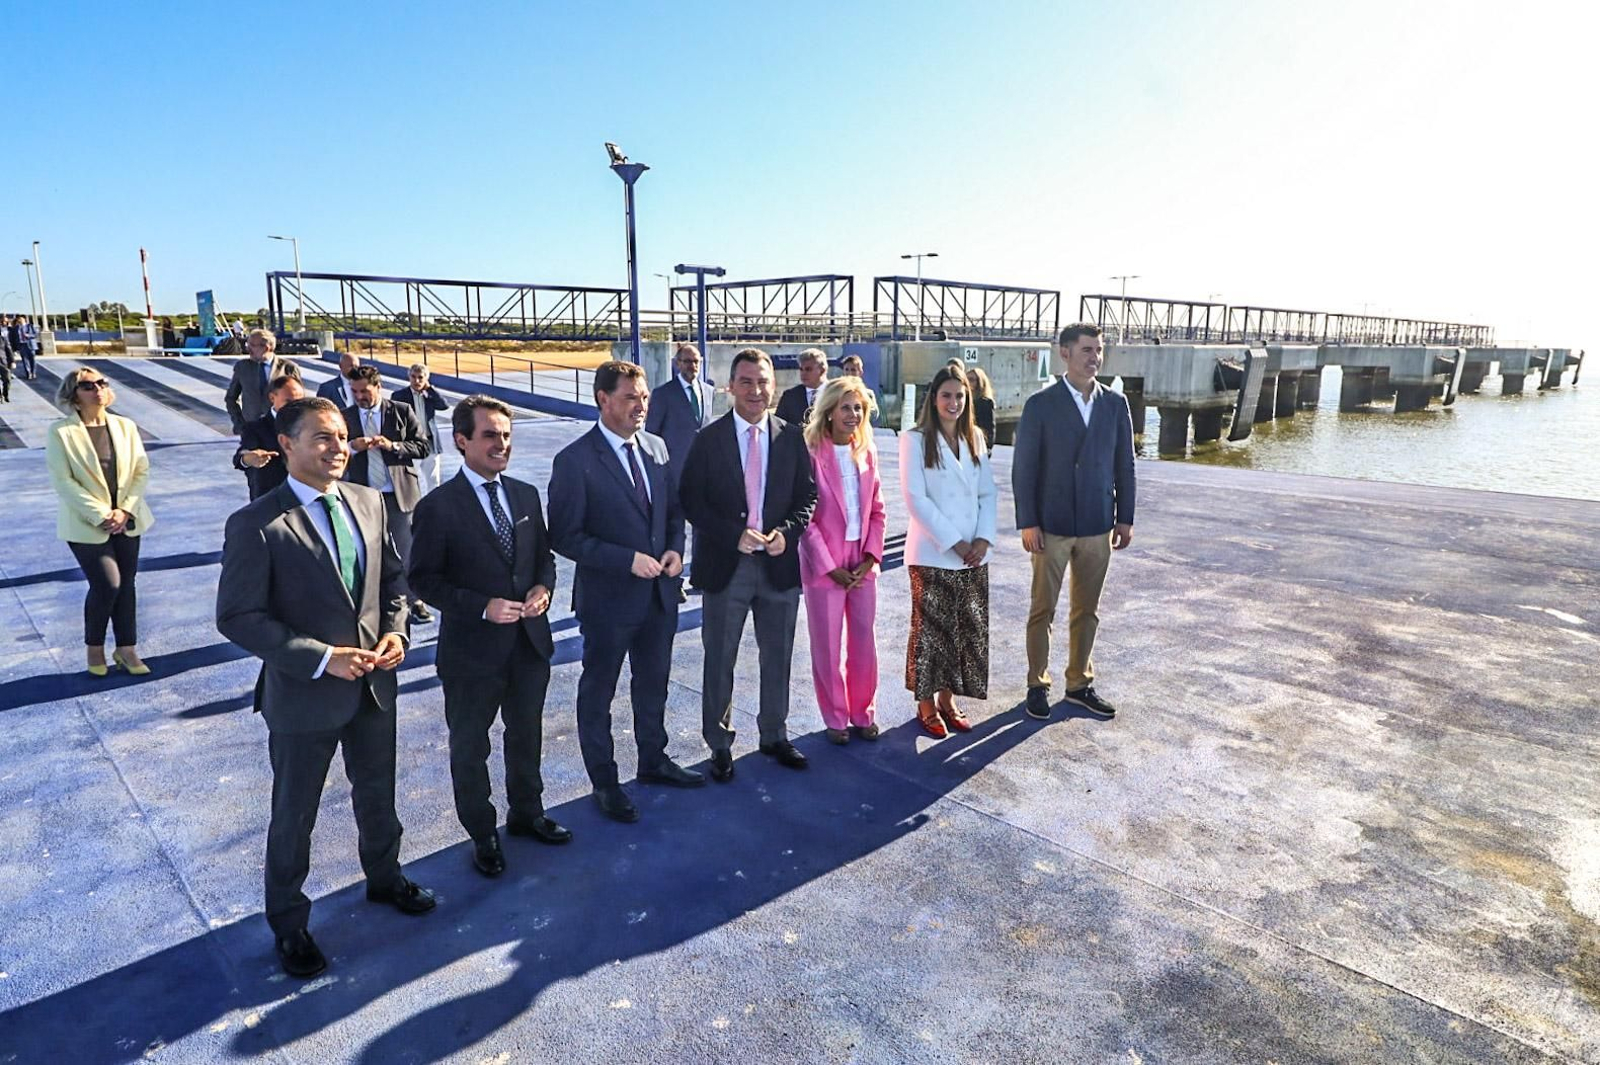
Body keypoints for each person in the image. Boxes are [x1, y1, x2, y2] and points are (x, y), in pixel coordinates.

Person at [216, 396, 436, 981]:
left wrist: (396, 634)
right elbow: (237, 616)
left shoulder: (369, 502)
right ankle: (289, 924)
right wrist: (322, 659)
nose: (337, 447)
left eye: (341, 437)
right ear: (286, 445)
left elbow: (393, 582)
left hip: (373, 687)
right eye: (322, 438)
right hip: (304, 696)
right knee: (295, 815)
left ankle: (385, 880)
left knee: (378, 796)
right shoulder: (255, 525)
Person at [409, 395, 570, 878]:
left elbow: (543, 557)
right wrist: (482, 607)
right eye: (489, 435)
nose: (501, 444)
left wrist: (544, 587)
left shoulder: (524, 494)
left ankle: (527, 813)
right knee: (471, 747)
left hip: (528, 644)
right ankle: (482, 832)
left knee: (526, 736)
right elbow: (423, 580)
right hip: (471, 654)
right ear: (461, 441)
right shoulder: (438, 507)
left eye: (505, 434)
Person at [547, 360, 701, 823]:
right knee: (599, 692)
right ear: (603, 399)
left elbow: (673, 511)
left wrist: (676, 549)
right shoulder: (574, 460)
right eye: (632, 397)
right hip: (608, 602)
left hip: (659, 596)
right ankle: (605, 782)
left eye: (645, 397)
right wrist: (625, 560)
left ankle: (652, 760)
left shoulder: (656, 448)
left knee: (653, 685)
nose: (641, 406)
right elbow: (565, 535)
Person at [680, 348, 817, 780]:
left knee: (777, 657)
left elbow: (807, 498)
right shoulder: (709, 439)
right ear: (730, 386)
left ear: (773, 385)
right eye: (746, 382)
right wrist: (729, 534)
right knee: (720, 657)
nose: (755, 391)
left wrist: (787, 534)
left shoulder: (792, 438)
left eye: (762, 382)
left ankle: (774, 733)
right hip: (727, 566)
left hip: (777, 567)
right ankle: (719, 742)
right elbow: (691, 500)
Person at [1013, 323, 1135, 721]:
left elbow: (1124, 465)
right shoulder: (1041, 405)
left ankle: (1079, 683)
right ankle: (1037, 683)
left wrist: (1125, 518)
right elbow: (1024, 468)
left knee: (1088, 609)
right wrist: (1028, 522)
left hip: (1098, 524)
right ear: (1064, 353)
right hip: (1051, 525)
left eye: (1098, 350)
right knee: (1042, 609)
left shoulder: (1115, 405)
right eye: (1086, 350)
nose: (1094, 357)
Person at [900, 366, 997, 737]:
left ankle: (948, 698)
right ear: (933, 398)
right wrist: (954, 542)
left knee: (963, 632)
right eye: (946, 395)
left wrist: (983, 539)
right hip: (933, 551)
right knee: (932, 633)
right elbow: (915, 499)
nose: (953, 402)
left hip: (973, 554)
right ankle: (926, 704)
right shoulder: (915, 439)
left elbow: (987, 492)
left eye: (960, 396)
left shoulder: (975, 437)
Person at [45, 368, 156, 677]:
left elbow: (140, 470)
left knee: (127, 585)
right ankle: (95, 647)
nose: (97, 389)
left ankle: (126, 648)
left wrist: (125, 510)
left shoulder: (125, 426)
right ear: (73, 394)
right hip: (85, 522)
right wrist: (102, 514)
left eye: (101, 383)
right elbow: (63, 481)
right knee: (108, 584)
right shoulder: (61, 432)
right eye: (87, 385)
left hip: (127, 518)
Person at [798, 376, 886, 745]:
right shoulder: (810, 452)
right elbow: (804, 518)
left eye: (859, 408)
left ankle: (862, 713)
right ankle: (835, 717)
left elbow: (878, 510)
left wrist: (870, 557)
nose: (853, 415)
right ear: (829, 411)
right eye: (846, 407)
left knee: (864, 641)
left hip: (861, 562)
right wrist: (828, 565)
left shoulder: (866, 452)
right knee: (827, 644)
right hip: (825, 565)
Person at [342, 365, 433, 624]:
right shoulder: (344, 416)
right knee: (365, 551)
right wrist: (352, 447)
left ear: (378, 387)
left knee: (407, 551)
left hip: (398, 495)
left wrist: (393, 445)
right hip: (360, 497)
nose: (359, 396)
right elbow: (332, 450)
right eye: (355, 391)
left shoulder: (401, 411)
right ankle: (370, 604)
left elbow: (423, 446)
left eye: (364, 391)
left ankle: (415, 601)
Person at [234, 374, 305, 499]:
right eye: (288, 401)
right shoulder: (255, 428)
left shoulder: (310, 425)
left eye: (299, 401)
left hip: (304, 497)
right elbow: (241, 457)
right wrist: (249, 459)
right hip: (270, 500)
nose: (295, 406)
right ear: (272, 398)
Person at [644, 342, 714, 467]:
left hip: (704, 466)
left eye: (696, 361)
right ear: (677, 363)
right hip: (674, 469)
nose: (692, 365)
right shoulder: (663, 394)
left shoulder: (708, 391)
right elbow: (651, 434)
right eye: (687, 361)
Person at [225, 328, 296, 435]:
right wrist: (239, 424)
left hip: (281, 430)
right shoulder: (242, 367)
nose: (248, 349)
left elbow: (298, 401)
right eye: (248, 345)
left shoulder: (288, 368)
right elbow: (231, 398)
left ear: (267, 347)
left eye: (252, 346)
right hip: (251, 429)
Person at [403, 364, 451, 494]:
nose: (417, 381)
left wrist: (430, 389)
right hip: (411, 442)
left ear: (426, 379)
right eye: (413, 377)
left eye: (420, 378)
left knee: (433, 480)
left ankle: (433, 508)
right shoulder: (400, 395)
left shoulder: (429, 395)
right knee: (413, 478)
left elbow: (444, 405)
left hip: (430, 441)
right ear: (409, 377)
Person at [774, 347, 827, 425]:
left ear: (822, 370)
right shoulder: (790, 396)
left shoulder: (837, 393)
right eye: (801, 369)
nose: (803, 373)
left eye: (808, 369)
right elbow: (778, 426)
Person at [967, 366, 997, 451]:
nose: (967, 382)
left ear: (979, 382)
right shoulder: (964, 400)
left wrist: (987, 447)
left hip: (979, 446)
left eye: (971, 379)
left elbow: (990, 428)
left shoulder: (986, 403)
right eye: (966, 379)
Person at [13, 314, 38, 380]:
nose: (19, 320)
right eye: (18, 319)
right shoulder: (16, 328)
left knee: (32, 360)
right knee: (25, 360)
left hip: (30, 345)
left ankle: (33, 372)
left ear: (24, 319)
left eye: (20, 319)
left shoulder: (30, 326)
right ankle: (28, 373)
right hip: (22, 345)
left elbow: (35, 334)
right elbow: (15, 337)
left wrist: (28, 335)